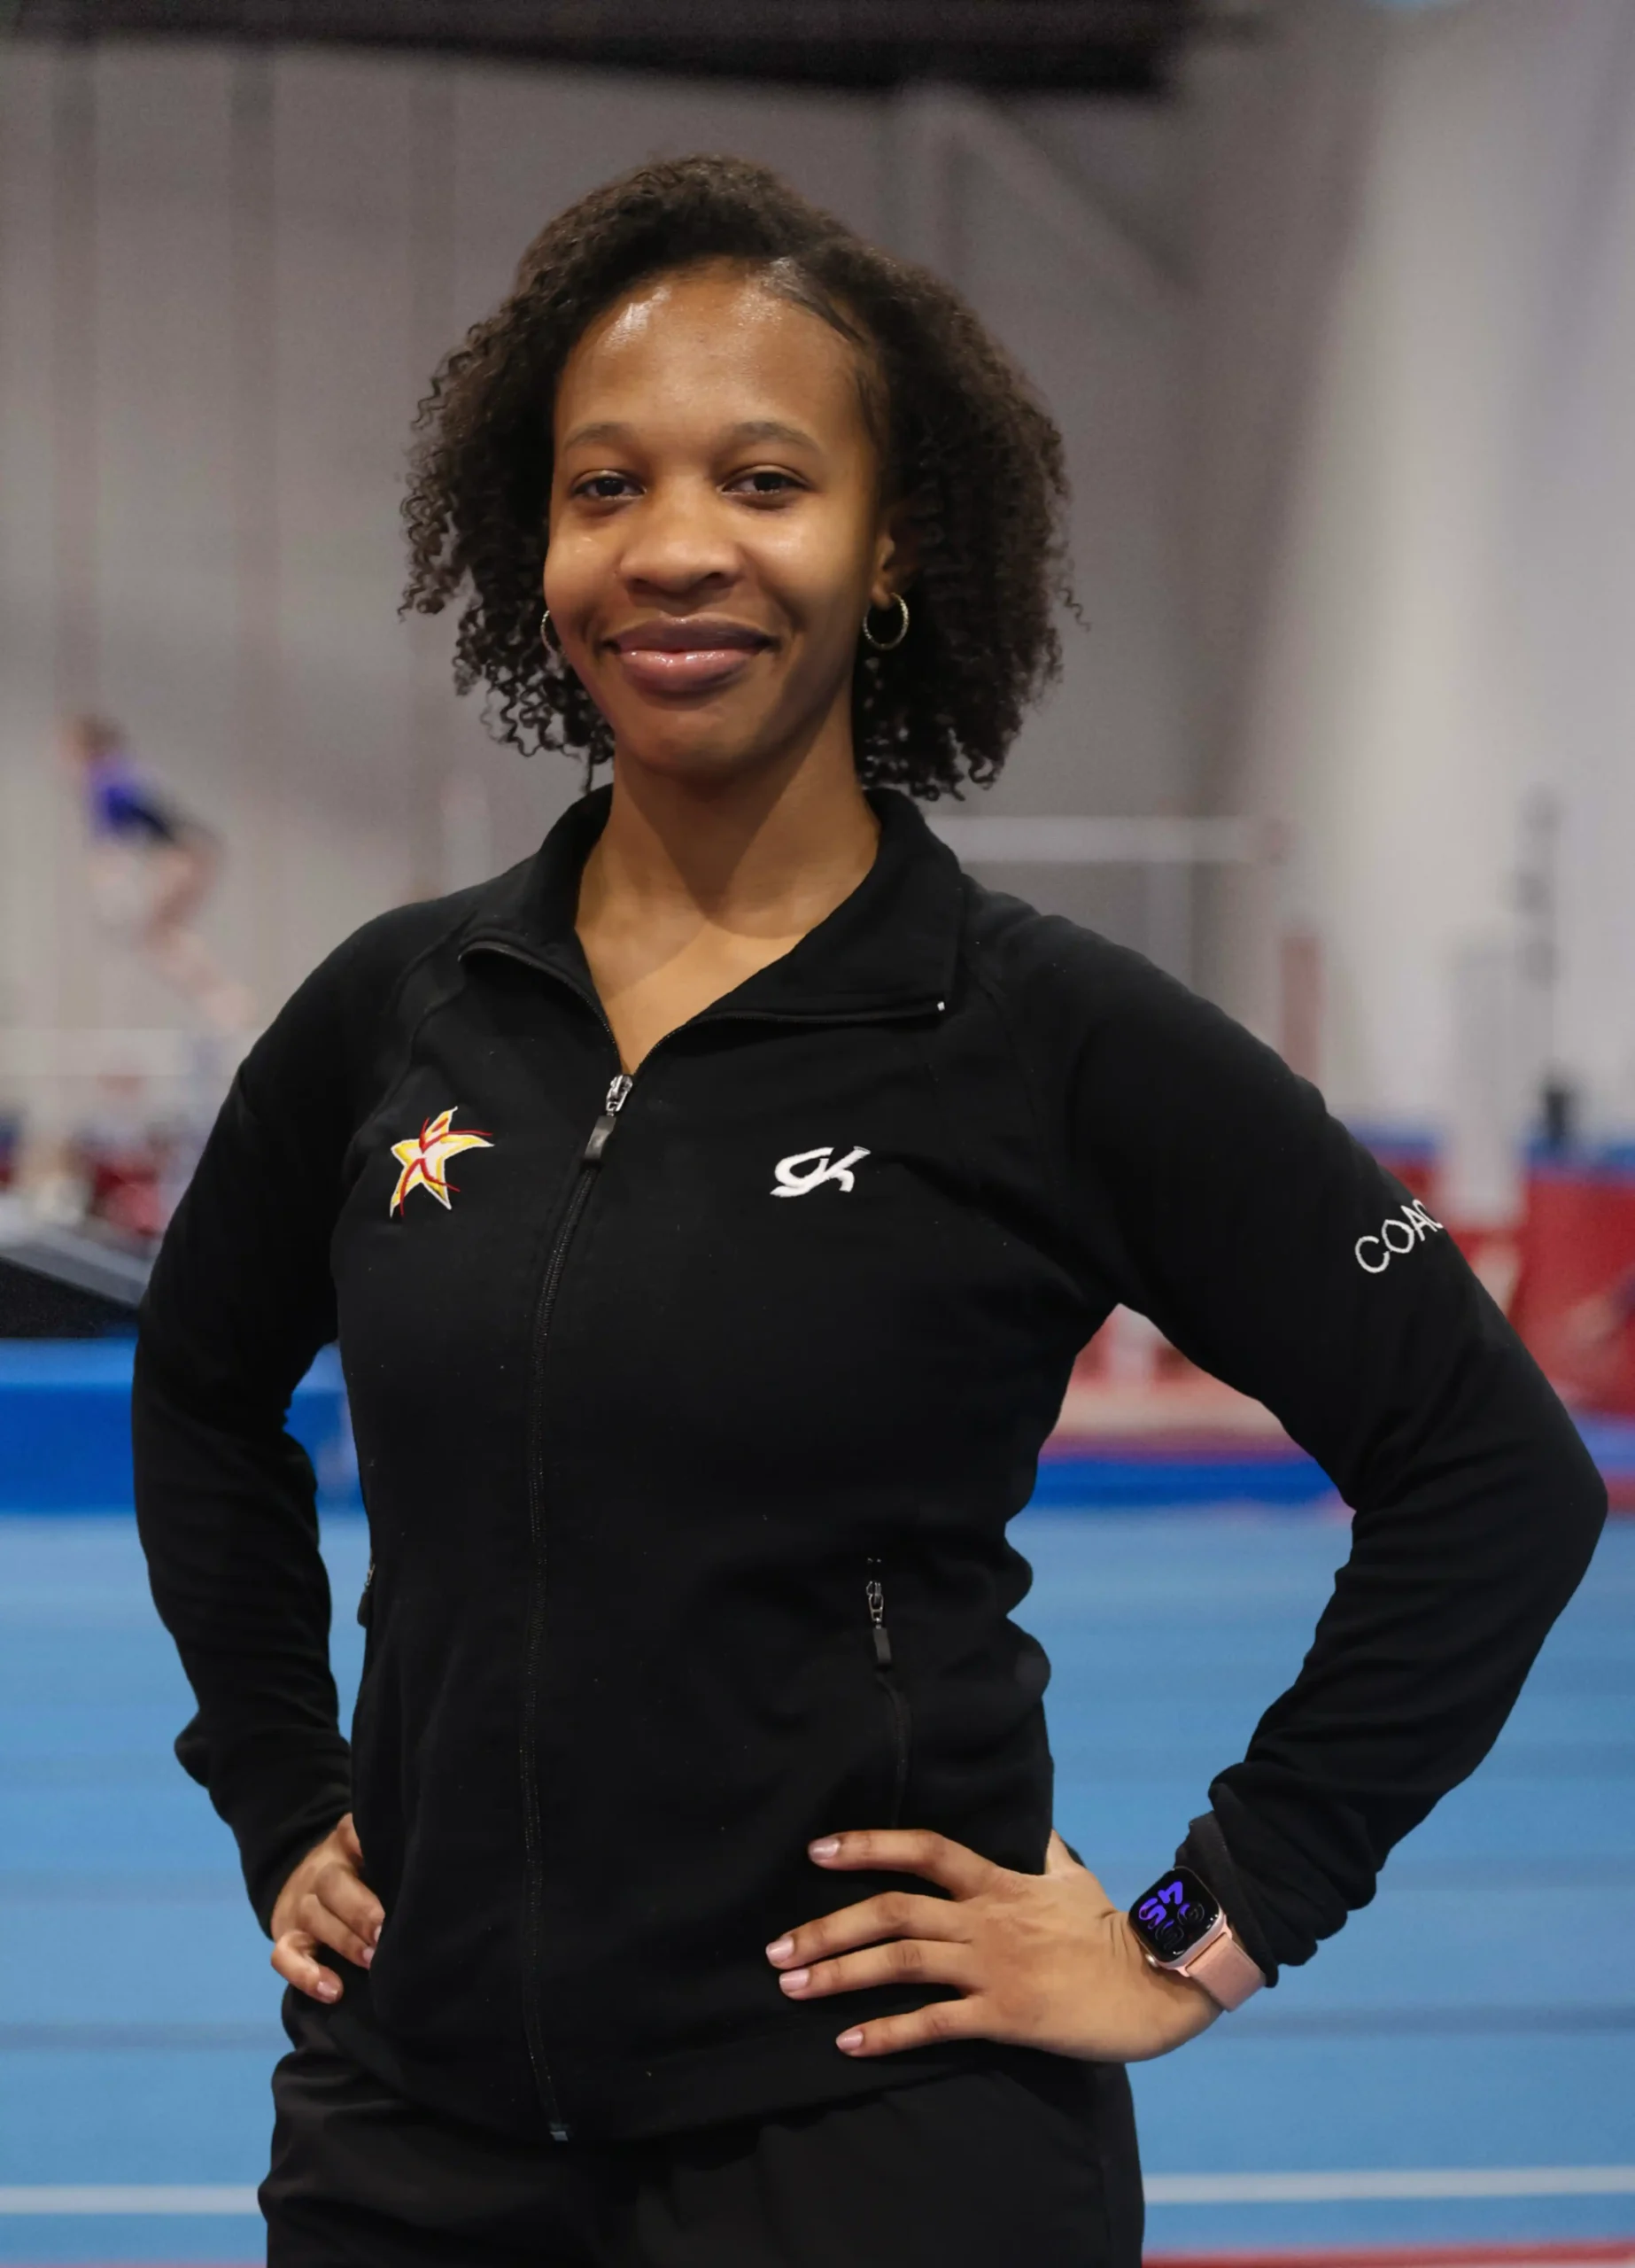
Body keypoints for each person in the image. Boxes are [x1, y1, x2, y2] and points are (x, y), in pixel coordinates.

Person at [132, 158, 1606, 2267]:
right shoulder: (401, 1004)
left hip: (883, 2144)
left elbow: (1488, 1471)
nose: (672, 552)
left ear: (890, 540)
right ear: (527, 538)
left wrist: (1201, 1920)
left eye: (761, 479)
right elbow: (195, 1391)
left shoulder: (1049, 1039)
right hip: (413, 2131)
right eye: (602, 485)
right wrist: (281, 1790)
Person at [66, 712, 252, 1034]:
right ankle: (222, 999)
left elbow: (107, 850)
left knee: (157, 936)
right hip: (190, 847)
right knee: (162, 936)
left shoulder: (104, 780)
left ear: (83, 749)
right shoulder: (122, 772)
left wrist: (111, 898)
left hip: (183, 852)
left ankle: (224, 1000)